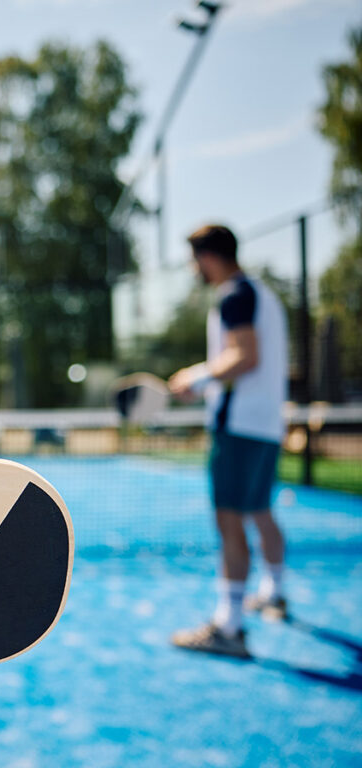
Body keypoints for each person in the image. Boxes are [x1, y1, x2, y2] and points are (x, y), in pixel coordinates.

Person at [168, 224, 289, 659]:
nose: (192, 268)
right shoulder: (264, 295)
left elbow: (245, 355)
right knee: (260, 511)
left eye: (195, 259)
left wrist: (196, 379)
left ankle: (229, 627)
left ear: (210, 257)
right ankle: (274, 592)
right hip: (266, 425)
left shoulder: (235, 295)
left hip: (238, 427)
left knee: (229, 522)